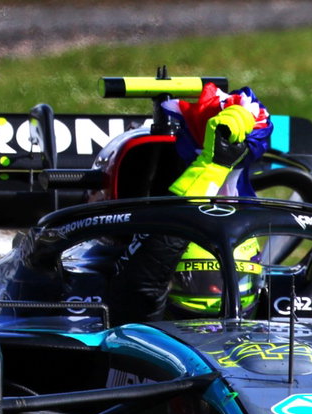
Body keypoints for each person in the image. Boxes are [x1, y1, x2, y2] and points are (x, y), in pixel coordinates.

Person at [108, 84, 272, 322]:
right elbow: (145, 280)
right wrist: (211, 166)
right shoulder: (136, 308)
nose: (217, 291)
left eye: (228, 280)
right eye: (201, 281)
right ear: (168, 278)